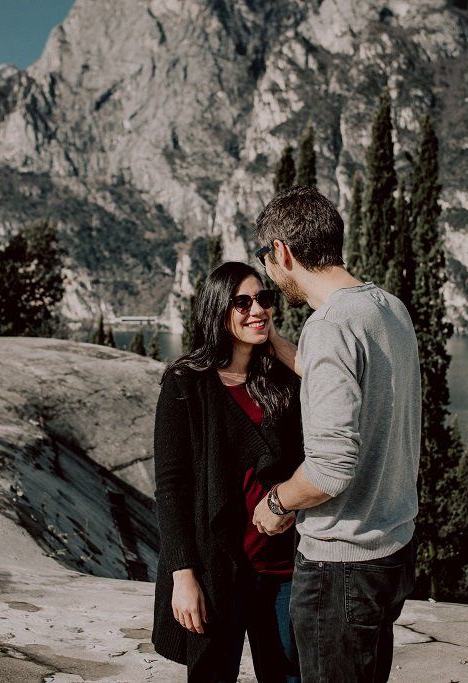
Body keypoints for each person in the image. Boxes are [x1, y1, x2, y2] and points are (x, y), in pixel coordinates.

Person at [250, 186, 421, 683]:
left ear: (282, 251)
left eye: (267, 260)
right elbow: (343, 379)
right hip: (392, 548)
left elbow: (329, 469)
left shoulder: (328, 327)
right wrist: (278, 344)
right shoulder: (386, 308)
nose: (269, 275)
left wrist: (277, 505)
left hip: (340, 567)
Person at [152, 261, 304, 682]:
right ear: (219, 310)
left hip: (280, 569)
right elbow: (171, 488)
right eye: (242, 302)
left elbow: (330, 386)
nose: (258, 309)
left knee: (289, 676)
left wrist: (272, 339)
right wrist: (182, 577)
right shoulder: (186, 383)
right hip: (215, 571)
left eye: (265, 299)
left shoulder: (282, 382)